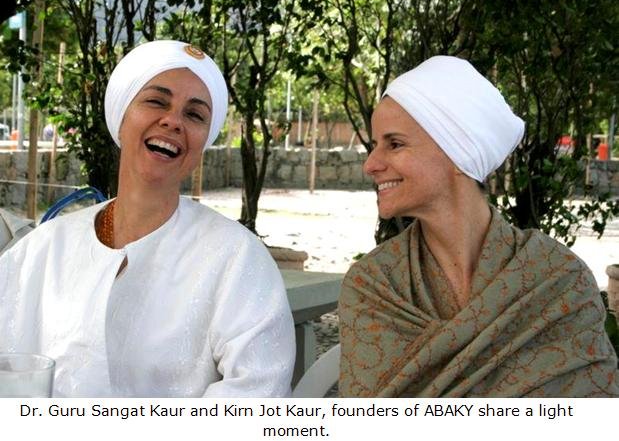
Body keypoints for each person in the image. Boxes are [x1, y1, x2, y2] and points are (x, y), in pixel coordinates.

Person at [0, 40, 295, 397]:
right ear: (121, 118)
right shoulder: (43, 249)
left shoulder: (236, 258)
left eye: (195, 115)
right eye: (156, 101)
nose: (173, 121)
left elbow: (257, 392)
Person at [339, 55, 619, 397]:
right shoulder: (374, 284)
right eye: (375, 146)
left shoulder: (560, 280)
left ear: (459, 153)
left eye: (394, 144)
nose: (370, 164)